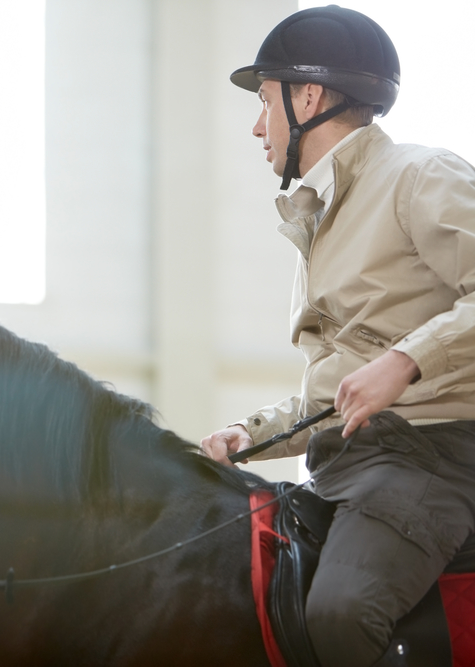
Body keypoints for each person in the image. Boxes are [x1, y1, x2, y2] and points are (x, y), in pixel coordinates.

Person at [200, 6, 475, 666]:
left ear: (309, 97)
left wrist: (409, 358)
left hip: (429, 458)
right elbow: (339, 390)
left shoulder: (420, 176)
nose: (257, 126)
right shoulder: (317, 223)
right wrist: (253, 432)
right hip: (342, 465)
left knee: (339, 611)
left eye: (265, 102)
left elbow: (384, 372)